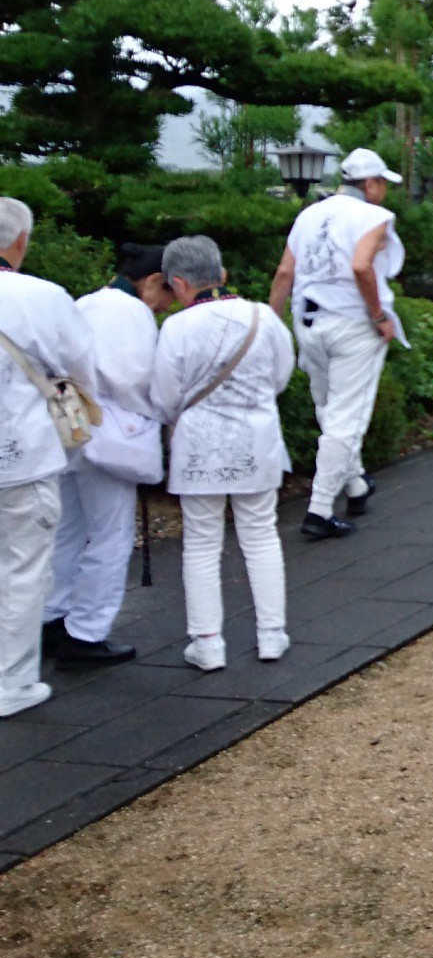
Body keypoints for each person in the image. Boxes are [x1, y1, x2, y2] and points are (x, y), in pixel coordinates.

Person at [152, 236, 296, 672]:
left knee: (200, 542)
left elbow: (164, 396)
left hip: (199, 445)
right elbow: (281, 377)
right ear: (223, 275)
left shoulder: (176, 327)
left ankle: (208, 642)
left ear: (178, 283)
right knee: (260, 535)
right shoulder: (264, 319)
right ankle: (271, 634)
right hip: (257, 440)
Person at [42, 243, 179, 667]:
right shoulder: (129, 312)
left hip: (67, 427)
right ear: (154, 281)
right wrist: (161, 408)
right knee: (110, 534)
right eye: (168, 295)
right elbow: (134, 377)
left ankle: (51, 619)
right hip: (109, 434)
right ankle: (86, 633)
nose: (165, 306)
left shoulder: (87, 302)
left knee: (67, 531)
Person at [268, 147, 407, 540]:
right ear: (372, 183)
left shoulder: (309, 214)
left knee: (328, 408)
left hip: (307, 320)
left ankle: (356, 486)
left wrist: (271, 325)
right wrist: (379, 315)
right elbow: (361, 266)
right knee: (347, 416)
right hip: (353, 323)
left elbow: (283, 274)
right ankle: (319, 508)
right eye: (383, 183)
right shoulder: (374, 216)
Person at [0, 198, 94, 718]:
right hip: (21, 451)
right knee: (22, 568)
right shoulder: (41, 296)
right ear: (20, 241)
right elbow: (81, 366)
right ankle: (11, 683)